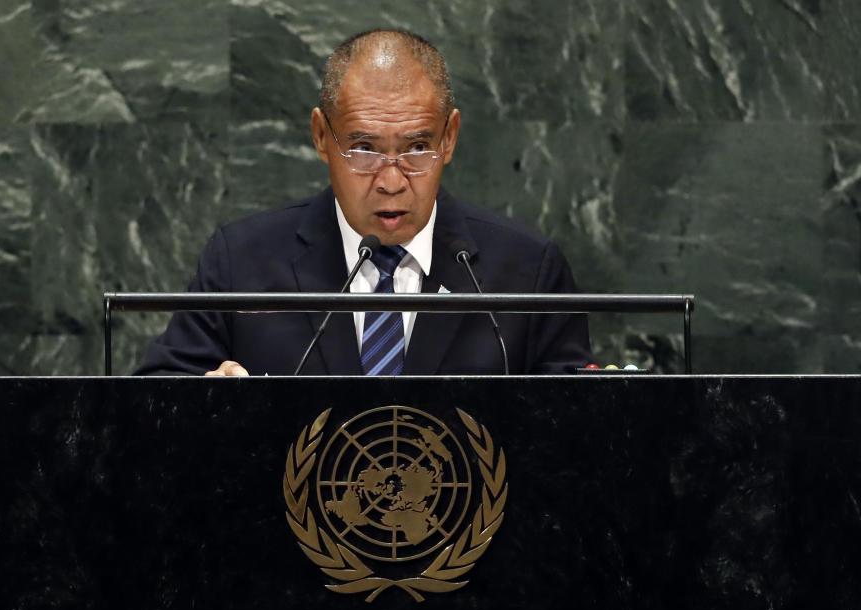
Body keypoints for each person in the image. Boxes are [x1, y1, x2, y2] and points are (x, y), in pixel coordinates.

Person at [136, 29, 591, 377]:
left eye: (417, 147)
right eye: (364, 149)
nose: (391, 181)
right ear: (320, 136)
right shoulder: (240, 263)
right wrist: (204, 404)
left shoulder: (529, 272)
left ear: (449, 137)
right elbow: (151, 401)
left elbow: (576, 438)